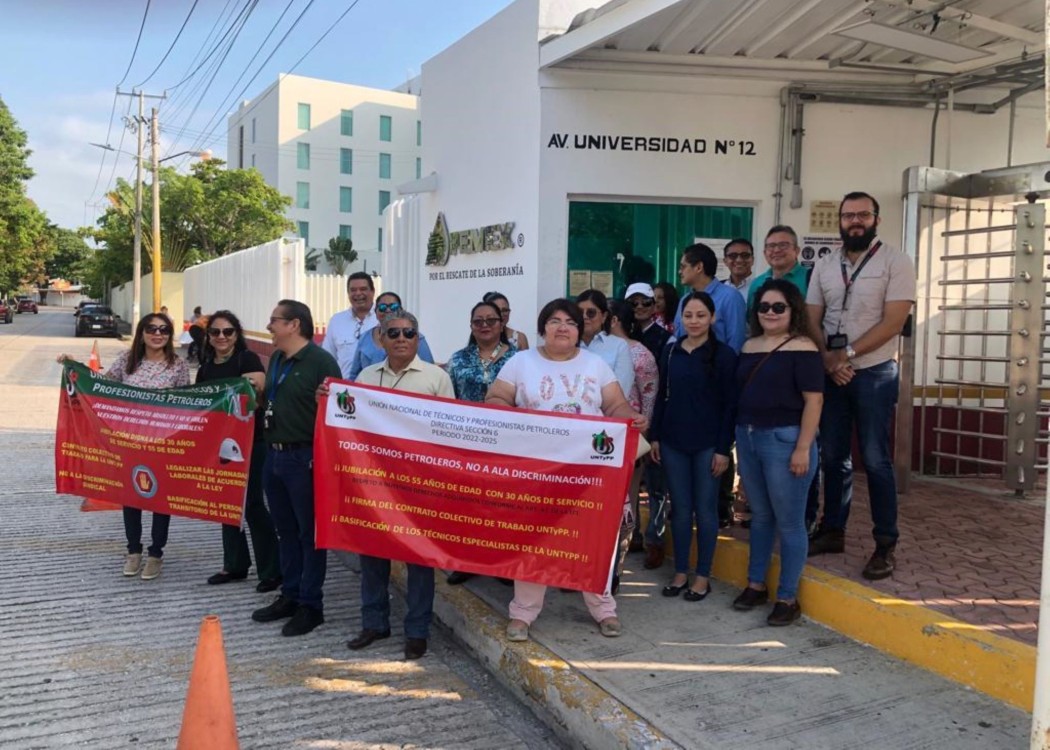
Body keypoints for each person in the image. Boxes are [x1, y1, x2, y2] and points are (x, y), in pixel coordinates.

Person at [486, 298, 648, 642]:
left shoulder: (595, 365)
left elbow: (615, 405)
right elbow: (496, 399)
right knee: (533, 540)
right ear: (543, 327)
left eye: (571, 322)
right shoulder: (520, 362)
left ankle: (604, 608)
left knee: (593, 538)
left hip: (587, 472)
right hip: (536, 469)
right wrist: (515, 415)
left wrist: (629, 417)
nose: (563, 327)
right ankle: (523, 613)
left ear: (580, 330)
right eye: (555, 321)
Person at [806, 191, 916, 580]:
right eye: (848, 215)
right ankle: (832, 529)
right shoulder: (824, 265)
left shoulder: (896, 261)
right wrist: (828, 360)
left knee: (875, 459)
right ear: (839, 220)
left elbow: (893, 322)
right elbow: (812, 317)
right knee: (833, 456)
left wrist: (845, 355)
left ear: (876, 219)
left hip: (874, 372)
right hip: (832, 372)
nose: (855, 221)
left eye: (862, 215)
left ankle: (885, 544)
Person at [348, 310, 455, 660]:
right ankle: (374, 622)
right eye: (393, 333)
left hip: (418, 484)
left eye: (409, 333)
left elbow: (448, 432)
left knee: (419, 560)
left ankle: (417, 630)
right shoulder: (365, 376)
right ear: (381, 338)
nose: (402, 339)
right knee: (373, 555)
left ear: (417, 337)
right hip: (375, 482)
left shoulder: (436, 378)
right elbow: (349, 421)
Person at [59, 312, 190, 580]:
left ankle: (156, 554)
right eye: (151, 328)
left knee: (160, 498)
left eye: (164, 329)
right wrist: (75, 367)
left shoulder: (177, 366)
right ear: (141, 333)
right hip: (129, 442)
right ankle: (133, 551)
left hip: (162, 443)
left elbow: (184, 403)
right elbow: (102, 386)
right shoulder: (127, 361)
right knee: (131, 496)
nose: (158, 334)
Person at [733, 280, 823, 625]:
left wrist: (803, 447)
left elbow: (814, 400)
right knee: (762, 516)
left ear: (792, 310)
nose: (770, 312)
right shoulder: (750, 345)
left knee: (788, 521)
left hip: (785, 441)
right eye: (764, 307)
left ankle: (786, 597)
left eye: (778, 306)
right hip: (750, 437)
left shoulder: (804, 347)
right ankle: (756, 584)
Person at [251, 300, 341, 637]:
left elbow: (339, 411)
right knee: (284, 530)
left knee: (309, 535)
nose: (270, 326)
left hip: (303, 458)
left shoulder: (321, 361)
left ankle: (310, 605)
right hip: (273, 456)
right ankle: (289, 594)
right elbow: (273, 401)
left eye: (275, 320)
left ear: (294, 325)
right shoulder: (276, 359)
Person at [650, 292, 736, 602]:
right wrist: (656, 436)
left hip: (708, 446)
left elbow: (730, 407)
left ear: (712, 318)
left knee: (706, 510)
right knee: (681, 511)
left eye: (701, 315)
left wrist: (723, 449)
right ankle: (681, 572)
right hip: (673, 442)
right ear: (680, 319)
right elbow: (662, 397)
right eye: (689, 315)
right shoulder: (671, 352)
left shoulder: (724, 356)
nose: (695, 321)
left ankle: (702, 575)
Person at [196, 310, 281, 592]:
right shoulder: (206, 367)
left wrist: (250, 388)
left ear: (237, 334)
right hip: (219, 444)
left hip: (252, 442)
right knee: (226, 502)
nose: (222, 337)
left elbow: (258, 395)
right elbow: (200, 406)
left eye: (228, 332)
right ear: (208, 337)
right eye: (216, 332)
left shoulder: (247, 359)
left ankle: (271, 570)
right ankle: (234, 564)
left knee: (254, 504)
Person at [443, 300, 517, 585]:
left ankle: (504, 564)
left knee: (504, 505)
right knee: (469, 505)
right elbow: (449, 399)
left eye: (491, 320)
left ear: (502, 324)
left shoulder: (519, 359)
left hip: (509, 444)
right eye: (478, 321)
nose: (484, 325)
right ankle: (468, 560)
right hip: (468, 443)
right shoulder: (459, 359)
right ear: (471, 326)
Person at [608, 299, 658, 586]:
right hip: (602, 438)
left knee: (626, 497)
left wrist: (643, 436)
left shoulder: (640, 354)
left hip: (629, 435)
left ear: (613, 319)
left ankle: (622, 554)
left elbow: (648, 397)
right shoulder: (592, 351)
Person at [674, 243, 747, 353]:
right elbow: (678, 337)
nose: (680, 272)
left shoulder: (730, 297)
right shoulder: (685, 300)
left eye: (683, 266)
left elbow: (736, 343)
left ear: (699, 267)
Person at [349, 291, 434, 379]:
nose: (388, 310)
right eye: (382, 307)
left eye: (394, 307)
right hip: (371, 389)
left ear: (401, 310)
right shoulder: (365, 337)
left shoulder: (413, 336)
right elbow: (354, 375)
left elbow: (429, 371)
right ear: (376, 312)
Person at [576, 289, 635, 398]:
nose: (584, 317)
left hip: (607, 411)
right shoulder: (568, 345)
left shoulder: (619, 346)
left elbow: (622, 389)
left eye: (591, 313)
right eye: (579, 313)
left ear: (603, 316)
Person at [322, 271, 378, 378]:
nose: (358, 293)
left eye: (363, 289)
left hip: (375, 390)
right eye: (353, 290)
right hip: (345, 390)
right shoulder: (337, 321)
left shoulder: (383, 319)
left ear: (373, 291)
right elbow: (327, 359)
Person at [747, 226, 810, 312]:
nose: (776, 250)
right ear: (765, 253)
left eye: (783, 245)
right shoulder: (757, 283)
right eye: (771, 246)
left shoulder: (811, 279)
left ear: (797, 251)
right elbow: (751, 317)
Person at [625, 283, 670, 361]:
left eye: (646, 302)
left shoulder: (667, 339)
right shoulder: (621, 334)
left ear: (654, 306)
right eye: (634, 303)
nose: (640, 307)